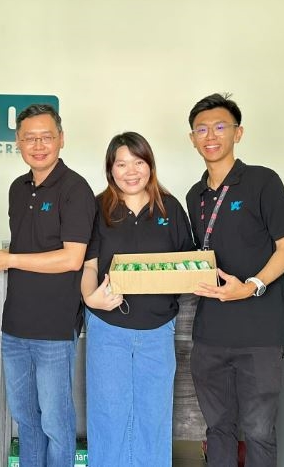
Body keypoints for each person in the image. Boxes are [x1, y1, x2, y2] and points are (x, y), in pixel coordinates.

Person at [0, 104, 96, 467]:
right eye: (29, 137)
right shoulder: (17, 188)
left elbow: (72, 258)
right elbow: (30, 248)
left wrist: (8, 260)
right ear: (17, 142)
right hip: (14, 328)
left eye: (46, 136)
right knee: (25, 421)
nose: (38, 144)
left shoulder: (76, 189)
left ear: (61, 139)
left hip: (55, 330)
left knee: (56, 424)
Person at [185, 93, 284, 466]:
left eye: (220, 127)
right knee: (217, 428)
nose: (211, 136)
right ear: (192, 138)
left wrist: (251, 286)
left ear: (239, 133)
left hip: (259, 335)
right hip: (209, 336)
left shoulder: (263, 182)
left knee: (258, 430)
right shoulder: (194, 195)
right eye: (201, 129)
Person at [81, 132, 195, 466]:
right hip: (108, 326)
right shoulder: (98, 208)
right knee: (108, 414)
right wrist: (90, 299)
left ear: (150, 165)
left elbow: (187, 262)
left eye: (138, 162)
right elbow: (88, 264)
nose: (131, 171)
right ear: (110, 169)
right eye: (122, 163)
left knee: (153, 416)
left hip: (158, 329)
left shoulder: (169, 207)